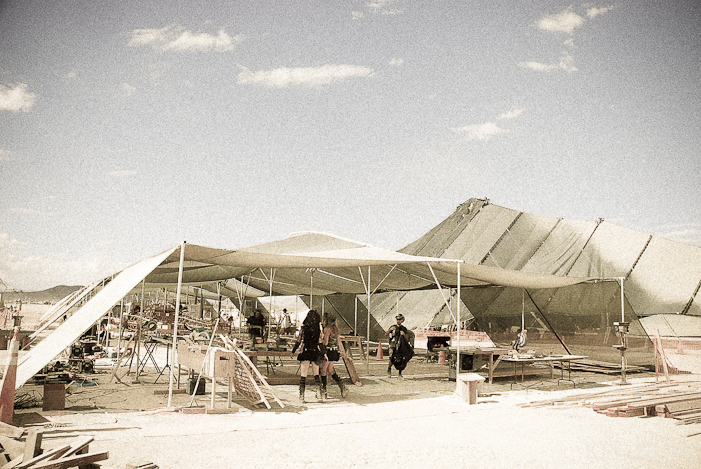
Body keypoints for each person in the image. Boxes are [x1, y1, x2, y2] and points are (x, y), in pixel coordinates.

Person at [291, 309, 323, 402]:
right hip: (315, 352)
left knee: (303, 376)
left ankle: (302, 396)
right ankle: (319, 395)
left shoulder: (303, 329)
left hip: (306, 352)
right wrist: (324, 353)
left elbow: (299, 340)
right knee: (316, 375)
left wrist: (293, 351)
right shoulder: (318, 330)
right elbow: (320, 343)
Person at [320, 313, 348, 399]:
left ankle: (324, 390)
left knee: (323, 371)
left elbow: (326, 342)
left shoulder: (327, 330)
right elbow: (339, 341)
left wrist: (320, 341)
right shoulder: (335, 330)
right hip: (334, 351)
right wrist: (342, 352)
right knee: (330, 370)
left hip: (327, 351)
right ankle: (341, 386)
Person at [385, 313, 414, 378]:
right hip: (393, 345)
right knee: (391, 358)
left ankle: (400, 373)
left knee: (401, 359)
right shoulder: (393, 326)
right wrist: (390, 330)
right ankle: (389, 369)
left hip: (401, 346)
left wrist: (403, 334)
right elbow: (386, 334)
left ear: (402, 320)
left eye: (400, 319)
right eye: (397, 319)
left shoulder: (404, 328)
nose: (398, 321)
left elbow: (407, 339)